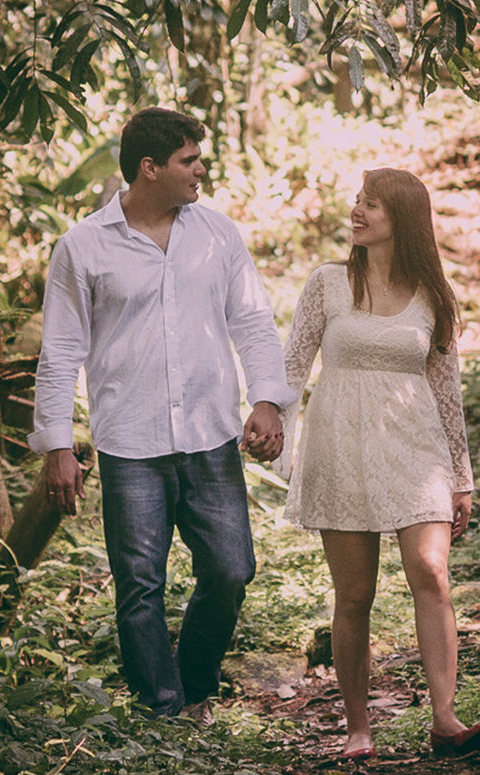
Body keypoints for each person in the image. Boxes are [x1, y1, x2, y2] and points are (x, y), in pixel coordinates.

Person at [29, 107, 293, 723]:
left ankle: (196, 686)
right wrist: (57, 445)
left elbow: (252, 321)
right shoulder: (83, 246)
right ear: (150, 168)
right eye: (188, 161)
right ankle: (163, 708)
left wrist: (267, 399)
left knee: (231, 569)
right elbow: (61, 349)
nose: (201, 170)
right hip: (130, 443)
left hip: (211, 434)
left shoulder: (218, 235)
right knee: (139, 587)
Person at [281, 167, 480, 760]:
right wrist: (272, 420)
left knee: (431, 571)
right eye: (357, 201)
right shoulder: (327, 284)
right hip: (340, 446)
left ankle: (445, 718)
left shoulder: (431, 297)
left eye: (371, 204)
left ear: (403, 218)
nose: (357, 212)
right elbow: (293, 365)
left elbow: (448, 392)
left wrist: (461, 478)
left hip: (415, 447)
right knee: (354, 595)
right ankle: (357, 730)